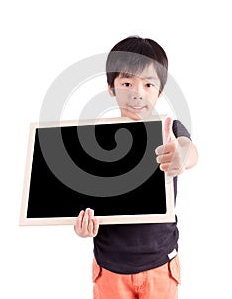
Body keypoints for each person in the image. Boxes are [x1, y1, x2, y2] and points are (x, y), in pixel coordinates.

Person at [74, 36, 198, 299]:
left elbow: (189, 151)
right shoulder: (94, 140)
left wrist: (180, 156)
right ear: (111, 88)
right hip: (109, 268)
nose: (137, 92)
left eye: (148, 84)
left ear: (160, 91)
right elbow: (82, 198)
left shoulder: (170, 130)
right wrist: (82, 225)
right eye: (127, 83)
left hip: (160, 265)